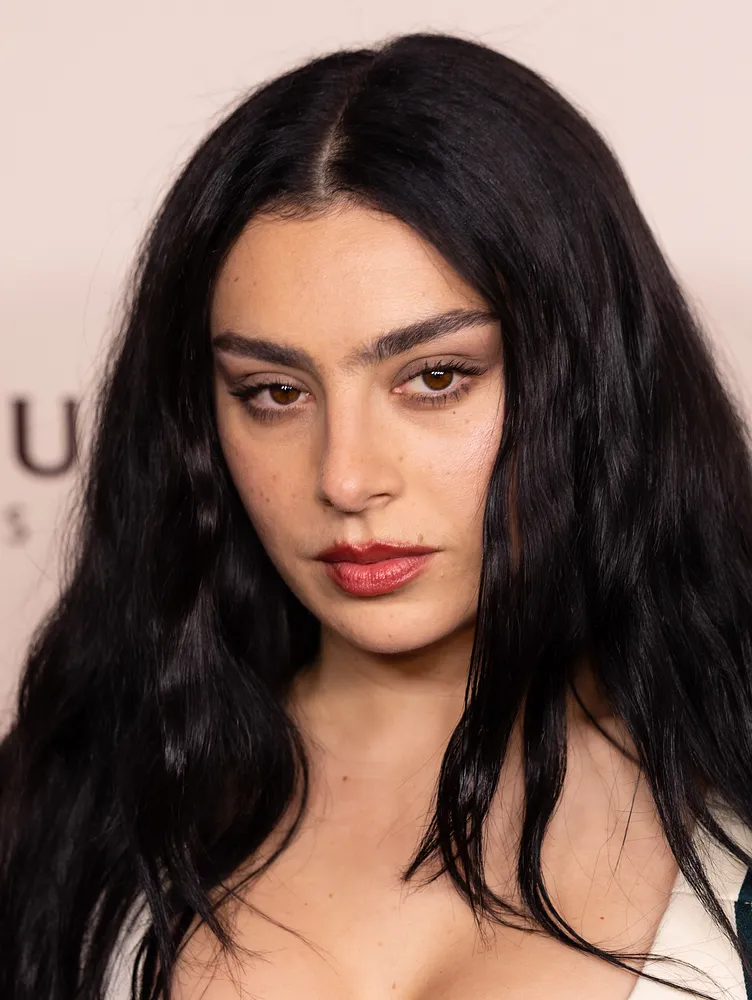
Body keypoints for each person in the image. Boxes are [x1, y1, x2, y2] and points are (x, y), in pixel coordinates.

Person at [2, 28, 752, 1000]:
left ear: (589, 377)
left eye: (434, 378)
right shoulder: (67, 810)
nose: (345, 478)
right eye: (274, 392)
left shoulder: (729, 788)